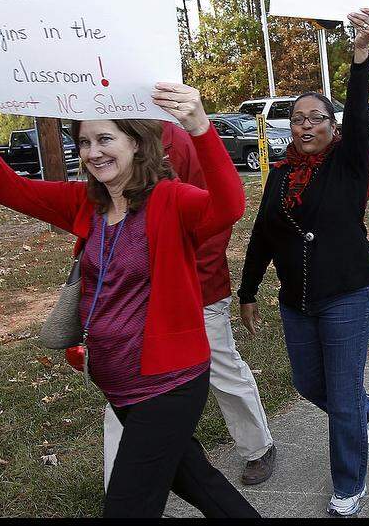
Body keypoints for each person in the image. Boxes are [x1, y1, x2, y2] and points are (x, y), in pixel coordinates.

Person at [0, 89, 258, 518]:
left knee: (126, 508)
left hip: (167, 385)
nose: (93, 152)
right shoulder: (87, 203)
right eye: (85, 142)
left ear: (136, 143)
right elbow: (7, 189)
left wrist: (199, 126)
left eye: (105, 139)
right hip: (120, 385)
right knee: (200, 484)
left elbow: (229, 205)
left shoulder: (170, 198)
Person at [238, 8, 369, 517]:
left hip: (348, 291)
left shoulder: (350, 161)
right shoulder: (280, 174)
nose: (304, 125)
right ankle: (364, 410)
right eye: (297, 118)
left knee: (340, 398)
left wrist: (359, 58)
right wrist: (248, 289)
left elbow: (361, 116)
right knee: (308, 384)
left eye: (316, 118)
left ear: (332, 125)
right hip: (297, 300)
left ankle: (348, 485)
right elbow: (263, 232)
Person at [102, 122, 276, 492]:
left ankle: (257, 446)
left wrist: (189, 276)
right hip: (138, 293)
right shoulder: (109, 135)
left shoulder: (176, 140)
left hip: (196, 286)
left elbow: (215, 214)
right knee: (125, 385)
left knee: (220, 366)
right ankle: (122, 481)